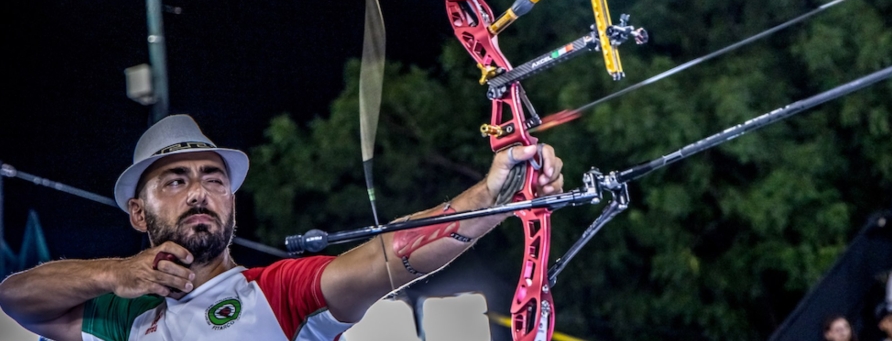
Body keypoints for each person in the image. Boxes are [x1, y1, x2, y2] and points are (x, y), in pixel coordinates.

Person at [0, 114, 565, 341]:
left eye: (213, 179)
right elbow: (18, 299)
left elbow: (387, 256)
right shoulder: (124, 319)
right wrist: (116, 274)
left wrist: (494, 196)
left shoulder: (276, 295)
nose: (199, 191)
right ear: (139, 213)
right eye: (174, 180)